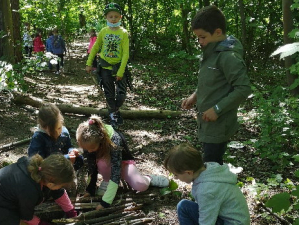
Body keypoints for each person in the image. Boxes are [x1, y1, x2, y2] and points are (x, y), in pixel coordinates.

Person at [181, 5, 251, 165]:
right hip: (207, 121)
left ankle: (212, 189)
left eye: (203, 37)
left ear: (218, 32)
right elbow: (211, 81)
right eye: (197, 37)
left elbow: (243, 88)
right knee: (210, 160)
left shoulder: (228, 57)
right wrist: (195, 96)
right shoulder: (211, 53)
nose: (199, 42)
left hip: (219, 123)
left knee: (212, 163)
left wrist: (217, 109)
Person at [76, 115, 169, 210]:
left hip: (123, 163)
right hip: (105, 165)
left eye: (91, 149)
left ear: (100, 141)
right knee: (103, 163)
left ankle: (149, 179)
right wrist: (90, 189)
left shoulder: (114, 140)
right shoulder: (88, 143)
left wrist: (105, 202)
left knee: (140, 185)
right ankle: (107, 181)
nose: (89, 151)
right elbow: (92, 168)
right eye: (86, 149)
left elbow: (116, 172)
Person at [0, 154, 78, 225]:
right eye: (61, 185)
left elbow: (58, 192)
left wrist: (71, 212)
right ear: (51, 184)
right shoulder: (29, 190)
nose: (62, 188)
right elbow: (27, 217)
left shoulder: (42, 170)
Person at [164, 143, 250, 225]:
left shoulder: (207, 190)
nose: (176, 178)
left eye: (176, 175)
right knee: (184, 206)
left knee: (183, 207)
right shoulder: (210, 169)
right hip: (230, 219)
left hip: (230, 222)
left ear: (189, 173)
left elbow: (207, 222)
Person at [85, 3, 130, 128]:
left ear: (120, 17)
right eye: (111, 16)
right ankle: (113, 114)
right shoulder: (103, 32)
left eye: (116, 16)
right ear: (106, 17)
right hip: (105, 67)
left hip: (119, 67)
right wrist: (89, 63)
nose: (113, 19)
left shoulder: (124, 33)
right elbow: (95, 48)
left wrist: (121, 72)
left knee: (121, 94)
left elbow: (126, 53)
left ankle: (115, 109)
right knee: (109, 93)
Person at [27, 104, 83, 171]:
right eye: (55, 130)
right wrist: (65, 159)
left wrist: (71, 151)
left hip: (61, 163)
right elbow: (37, 162)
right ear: (46, 128)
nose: (59, 132)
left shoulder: (64, 131)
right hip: (49, 168)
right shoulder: (38, 138)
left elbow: (68, 146)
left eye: (60, 127)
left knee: (80, 159)